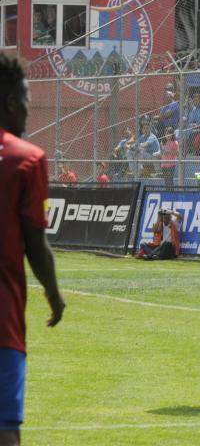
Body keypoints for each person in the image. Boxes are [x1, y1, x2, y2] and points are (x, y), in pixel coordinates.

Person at [0, 54, 65, 446]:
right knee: (5, 428)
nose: (29, 108)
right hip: (2, 318)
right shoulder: (26, 159)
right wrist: (54, 296)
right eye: (26, 98)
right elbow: (36, 245)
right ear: (10, 101)